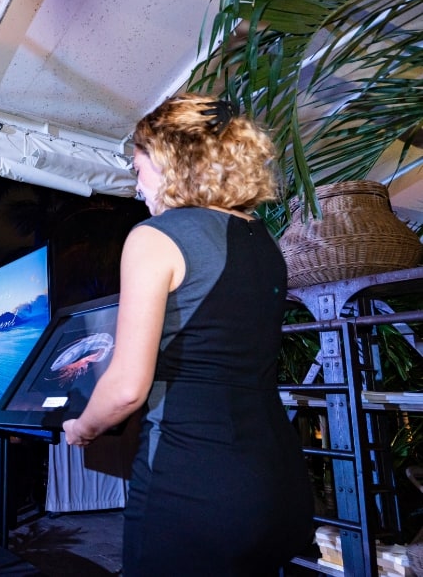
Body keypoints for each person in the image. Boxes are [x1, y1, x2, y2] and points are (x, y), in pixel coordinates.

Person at [62, 93, 314, 575]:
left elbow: (127, 387)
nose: (138, 189)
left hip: (193, 483)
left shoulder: (156, 237)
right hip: (277, 482)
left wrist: (83, 427)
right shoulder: (263, 241)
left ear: (168, 159)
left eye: (138, 171)